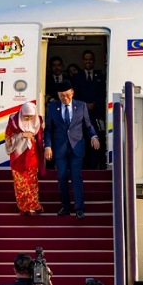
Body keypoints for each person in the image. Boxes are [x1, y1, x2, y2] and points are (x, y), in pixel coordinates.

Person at [43, 80, 100, 219]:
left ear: (72, 93)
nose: (65, 98)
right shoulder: (52, 107)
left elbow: (88, 125)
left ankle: (79, 208)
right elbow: (49, 129)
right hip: (60, 148)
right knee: (61, 176)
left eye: (67, 95)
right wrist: (47, 146)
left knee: (76, 176)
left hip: (76, 147)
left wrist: (93, 136)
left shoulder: (81, 105)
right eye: (62, 96)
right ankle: (65, 206)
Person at [4, 102, 44, 216]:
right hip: (18, 155)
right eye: (26, 116)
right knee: (20, 183)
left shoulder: (38, 120)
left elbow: (41, 138)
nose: (29, 119)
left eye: (31, 116)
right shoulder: (13, 120)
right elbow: (8, 138)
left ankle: (33, 206)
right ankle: (23, 207)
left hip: (32, 155)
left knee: (32, 182)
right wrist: (22, 135)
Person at [70, 49, 106, 169]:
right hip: (81, 116)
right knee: (83, 141)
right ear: (82, 61)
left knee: (97, 140)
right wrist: (85, 105)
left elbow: (103, 95)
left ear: (93, 60)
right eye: (86, 59)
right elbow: (74, 97)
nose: (88, 62)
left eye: (90, 59)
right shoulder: (77, 77)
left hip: (97, 115)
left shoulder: (100, 76)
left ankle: (95, 166)